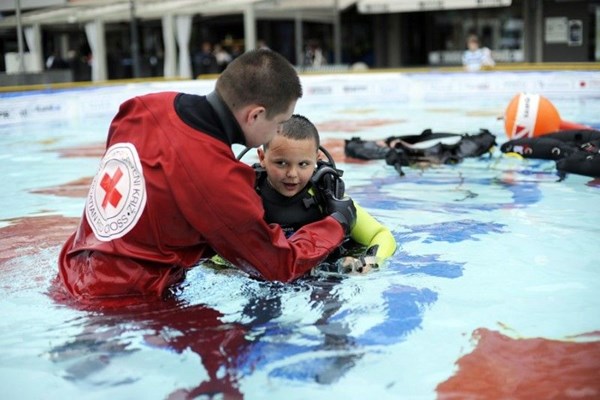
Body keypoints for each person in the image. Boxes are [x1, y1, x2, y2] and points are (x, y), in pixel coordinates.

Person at [57, 49, 357, 303]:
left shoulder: (141, 107)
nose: (278, 132)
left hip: (70, 272)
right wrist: (335, 224)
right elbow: (279, 266)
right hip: (122, 303)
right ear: (254, 115)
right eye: (279, 123)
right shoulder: (220, 179)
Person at [253, 114, 397, 274]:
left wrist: (369, 263)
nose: (292, 174)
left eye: (303, 164)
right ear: (262, 157)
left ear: (317, 159)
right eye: (281, 163)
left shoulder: (327, 196)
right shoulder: (247, 197)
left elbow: (381, 235)